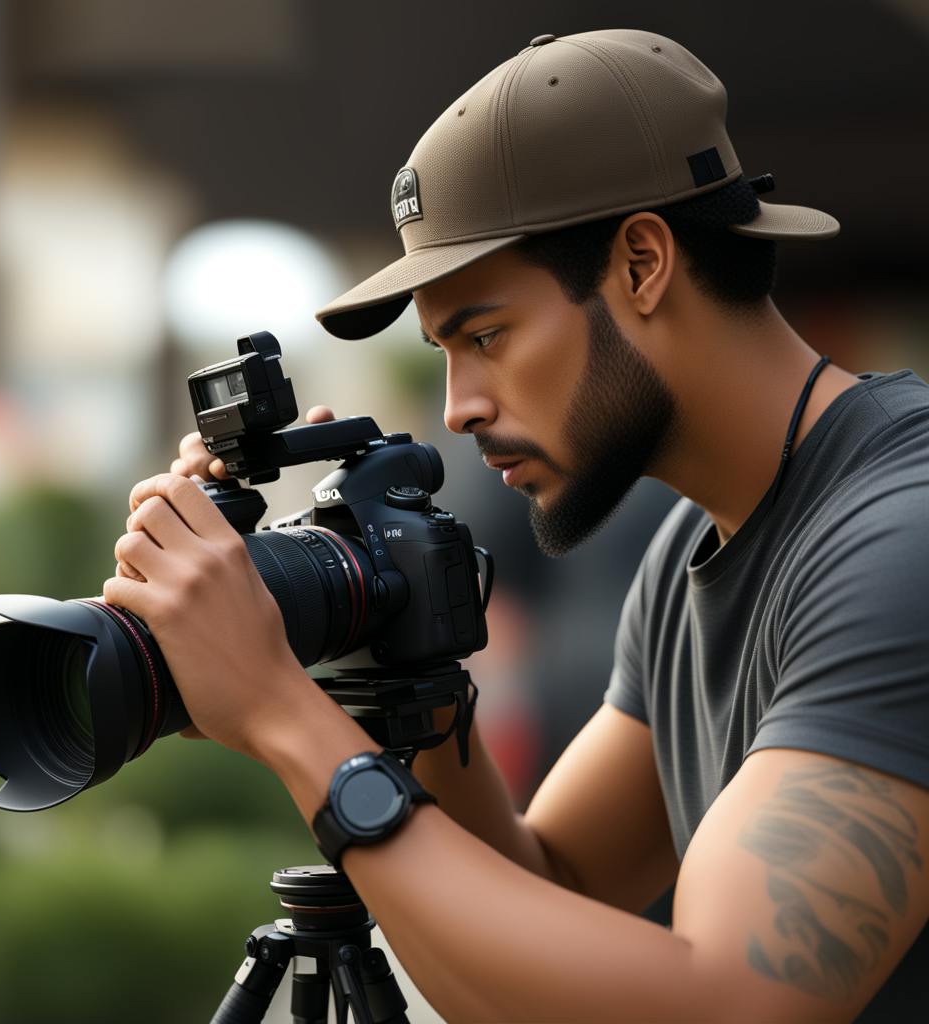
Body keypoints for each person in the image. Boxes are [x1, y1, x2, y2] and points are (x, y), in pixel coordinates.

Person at [104, 30, 929, 1022]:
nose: (457, 406)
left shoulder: (899, 538)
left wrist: (284, 715)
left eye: (485, 336)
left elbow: (733, 1003)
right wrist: (401, 663)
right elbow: (548, 901)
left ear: (640, 262)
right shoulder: (692, 546)